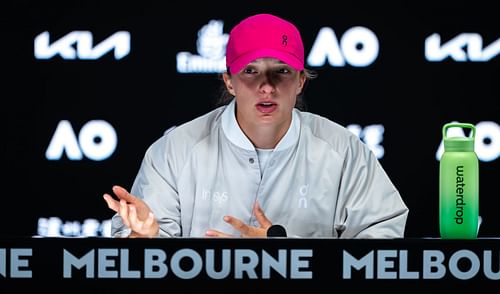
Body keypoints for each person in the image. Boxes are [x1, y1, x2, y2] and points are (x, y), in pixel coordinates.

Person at [103, 13, 409, 238]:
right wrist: (143, 238)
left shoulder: (344, 151)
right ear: (229, 81)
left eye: (281, 72)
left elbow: (380, 244)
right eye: (250, 71)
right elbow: (141, 263)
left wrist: (284, 258)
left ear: (301, 81)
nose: (267, 87)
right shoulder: (175, 150)